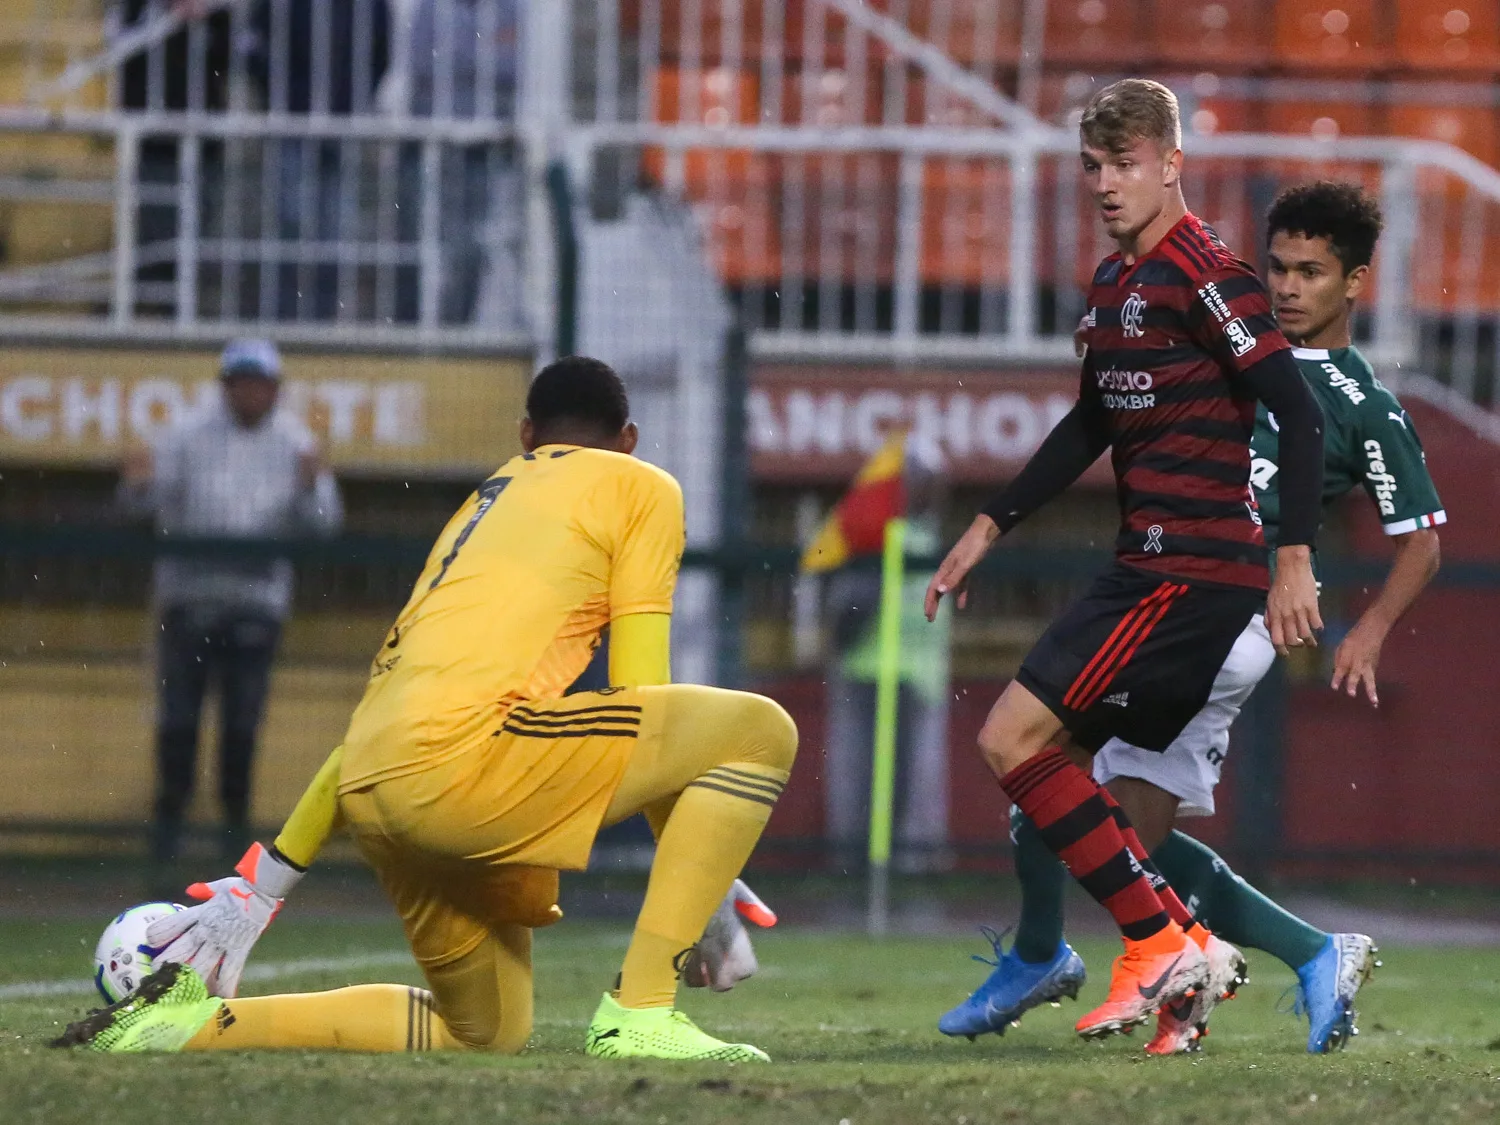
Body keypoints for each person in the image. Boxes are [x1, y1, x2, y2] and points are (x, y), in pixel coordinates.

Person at [62, 357, 796, 1063]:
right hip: (467, 770)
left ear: (525, 435)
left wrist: (264, 886)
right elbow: (646, 698)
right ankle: (640, 1012)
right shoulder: (640, 485)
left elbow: (382, 728)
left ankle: (182, 1029)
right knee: (761, 732)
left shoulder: (480, 507)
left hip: (375, 790)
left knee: (485, 1029)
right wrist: (695, 885)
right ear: (627, 440)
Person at [939, 180, 1444, 1055]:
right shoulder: (1232, 345)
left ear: (1355, 281)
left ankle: (1096, 956)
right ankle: (1268, 959)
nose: (1287, 287)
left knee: (1058, 791)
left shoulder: (1356, 402)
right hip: (1183, 598)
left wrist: (1365, 627)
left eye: (1311, 272)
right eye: (1277, 266)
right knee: (1092, 813)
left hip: (1217, 613)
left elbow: (1425, 539)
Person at [923, 78, 1326, 1049]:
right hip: (1144, 568)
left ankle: (1152, 944)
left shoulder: (1209, 274)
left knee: (1012, 739)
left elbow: (1299, 413)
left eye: (1127, 164)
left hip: (1191, 573)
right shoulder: (1114, 287)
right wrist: (990, 523)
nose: (1107, 184)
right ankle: (1178, 951)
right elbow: (1092, 422)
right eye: (1094, 167)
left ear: (1172, 163)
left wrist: (1296, 559)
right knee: (1059, 773)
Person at [120, 338, 341, 869]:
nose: (250, 392)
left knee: (242, 728)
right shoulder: (184, 435)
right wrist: (139, 482)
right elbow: (137, 503)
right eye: (240, 382)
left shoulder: (296, 442)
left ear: (274, 390)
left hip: (255, 602)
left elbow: (325, 523)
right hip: (188, 598)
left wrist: (310, 486)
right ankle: (166, 847)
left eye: (259, 383)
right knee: (178, 724)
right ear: (224, 387)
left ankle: (229, 848)